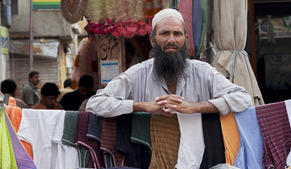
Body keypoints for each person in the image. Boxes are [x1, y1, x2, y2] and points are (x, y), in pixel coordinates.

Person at [86, 8, 252, 118]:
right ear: (152, 39)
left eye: (177, 34)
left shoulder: (203, 71)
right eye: (165, 33)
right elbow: (95, 104)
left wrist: (194, 107)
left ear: (185, 40)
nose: (171, 40)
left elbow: (243, 98)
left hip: (198, 160)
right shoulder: (137, 74)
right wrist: (143, 106)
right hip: (150, 160)